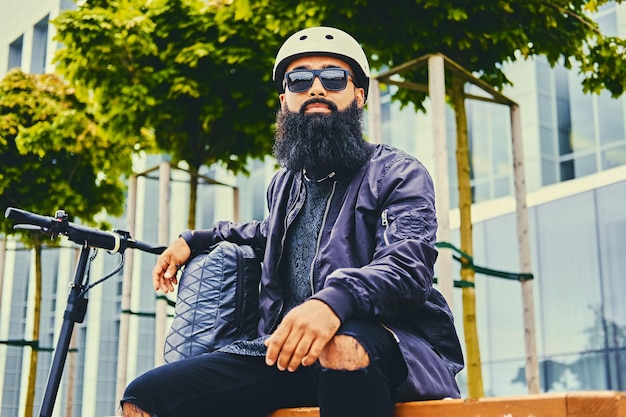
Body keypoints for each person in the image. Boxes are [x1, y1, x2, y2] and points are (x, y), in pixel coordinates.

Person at [121, 26, 464, 417]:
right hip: (288, 351)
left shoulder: (397, 172)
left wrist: (332, 303)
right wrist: (194, 239)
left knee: (342, 343)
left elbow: (408, 265)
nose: (316, 88)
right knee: (144, 396)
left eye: (334, 77)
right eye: (300, 80)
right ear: (285, 100)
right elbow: (265, 234)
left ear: (359, 95)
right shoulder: (284, 184)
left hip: (390, 346)